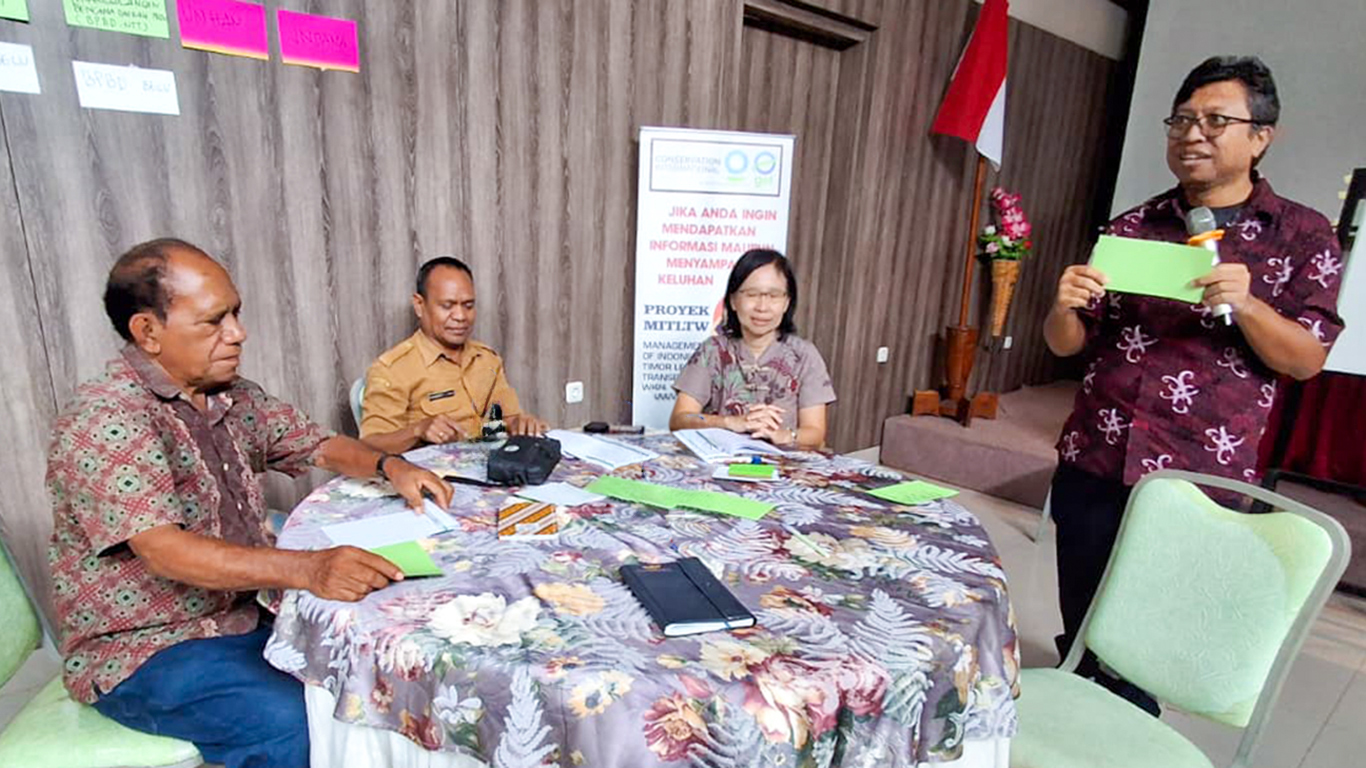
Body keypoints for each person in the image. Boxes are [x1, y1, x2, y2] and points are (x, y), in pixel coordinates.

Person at [47, 239, 454, 768]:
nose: (237, 333)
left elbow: (317, 444)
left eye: (235, 313)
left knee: (367, 676)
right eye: (214, 321)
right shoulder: (107, 417)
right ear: (147, 332)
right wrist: (309, 568)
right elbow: (164, 551)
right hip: (146, 647)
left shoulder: (228, 393)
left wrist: (390, 465)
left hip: (242, 613)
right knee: (297, 722)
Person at [1043, 56, 1344, 714]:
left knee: (1148, 647)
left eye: (1215, 121)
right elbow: (1069, 342)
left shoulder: (1303, 236)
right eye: (1181, 120)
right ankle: (1078, 706)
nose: (1193, 134)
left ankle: (1126, 729)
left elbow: (1306, 360)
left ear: (1261, 137)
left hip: (1197, 480)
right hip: (1096, 459)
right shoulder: (1132, 225)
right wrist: (1062, 306)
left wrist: (1251, 304)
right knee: (1083, 621)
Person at [360, 256, 548, 453]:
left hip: (489, 464)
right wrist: (417, 431)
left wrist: (519, 423)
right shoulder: (393, 370)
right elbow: (369, 445)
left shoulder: (487, 360)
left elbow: (505, 419)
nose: (460, 317)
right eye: (447, 306)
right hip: (429, 471)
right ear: (419, 305)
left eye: (468, 306)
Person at [669, 249, 836, 450]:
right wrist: (730, 423)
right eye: (752, 294)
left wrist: (782, 435)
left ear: (787, 302)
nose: (762, 307)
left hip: (782, 465)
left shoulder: (804, 355)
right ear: (733, 301)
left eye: (773, 296)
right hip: (721, 463)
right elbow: (679, 420)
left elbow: (815, 433)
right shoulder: (711, 351)